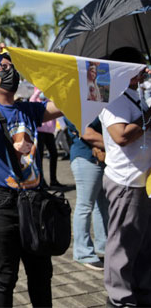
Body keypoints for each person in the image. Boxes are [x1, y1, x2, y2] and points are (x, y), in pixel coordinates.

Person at [0, 39, 63, 307]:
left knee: (41, 274)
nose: (10, 70)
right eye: (3, 67)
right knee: (5, 276)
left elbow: (64, 100)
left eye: (13, 66)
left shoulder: (29, 110)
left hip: (34, 202)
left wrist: (31, 65)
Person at [98, 47, 151, 308]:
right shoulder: (110, 96)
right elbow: (121, 135)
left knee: (142, 242)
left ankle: (141, 291)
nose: (145, 70)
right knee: (122, 244)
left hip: (143, 179)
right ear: (125, 69)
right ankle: (120, 299)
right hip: (125, 181)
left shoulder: (136, 95)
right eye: (140, 66)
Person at [64, 116, 108, 271]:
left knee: (101, 204)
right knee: (85, 205)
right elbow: (86, 132)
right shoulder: (76, 102)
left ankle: (103, 245)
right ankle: (83, 252)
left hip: (98, 158)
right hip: (86, 156)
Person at [30, 87, 63, 187]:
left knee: (54, 154)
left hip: (49, 133)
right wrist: (39, 91)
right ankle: (41, 180)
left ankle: (53, 180)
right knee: (39, 157)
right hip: (39, 132)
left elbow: (56, 106)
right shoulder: (36, 102)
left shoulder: (49, 101)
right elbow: (31, 100)